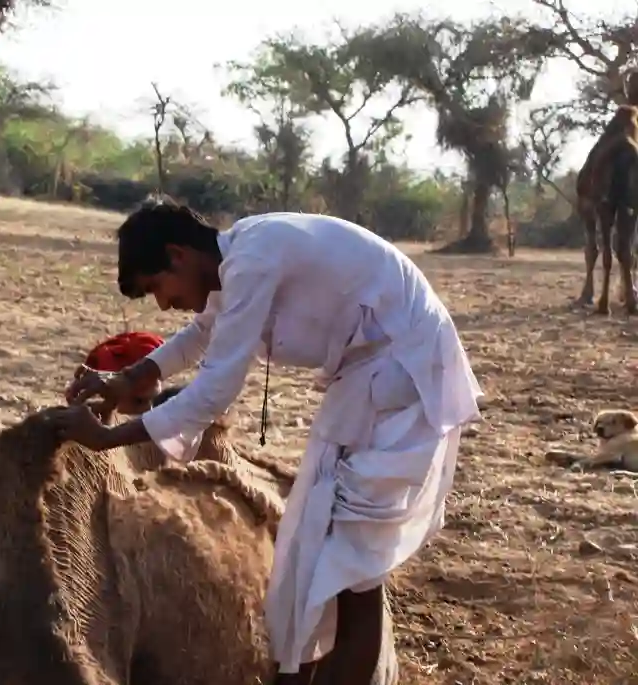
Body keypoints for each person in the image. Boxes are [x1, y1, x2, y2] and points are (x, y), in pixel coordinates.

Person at [53, 201, 483, 685]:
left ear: (177, 255)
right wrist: (125, 378)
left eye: (157, 288)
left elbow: (214, 390)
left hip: (404, 378)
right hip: (365, 382)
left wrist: (108, 437)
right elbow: (202, 334)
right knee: (314, 546)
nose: (163, 305)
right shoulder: (238, 261)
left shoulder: (255, 256)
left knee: (351, 570)